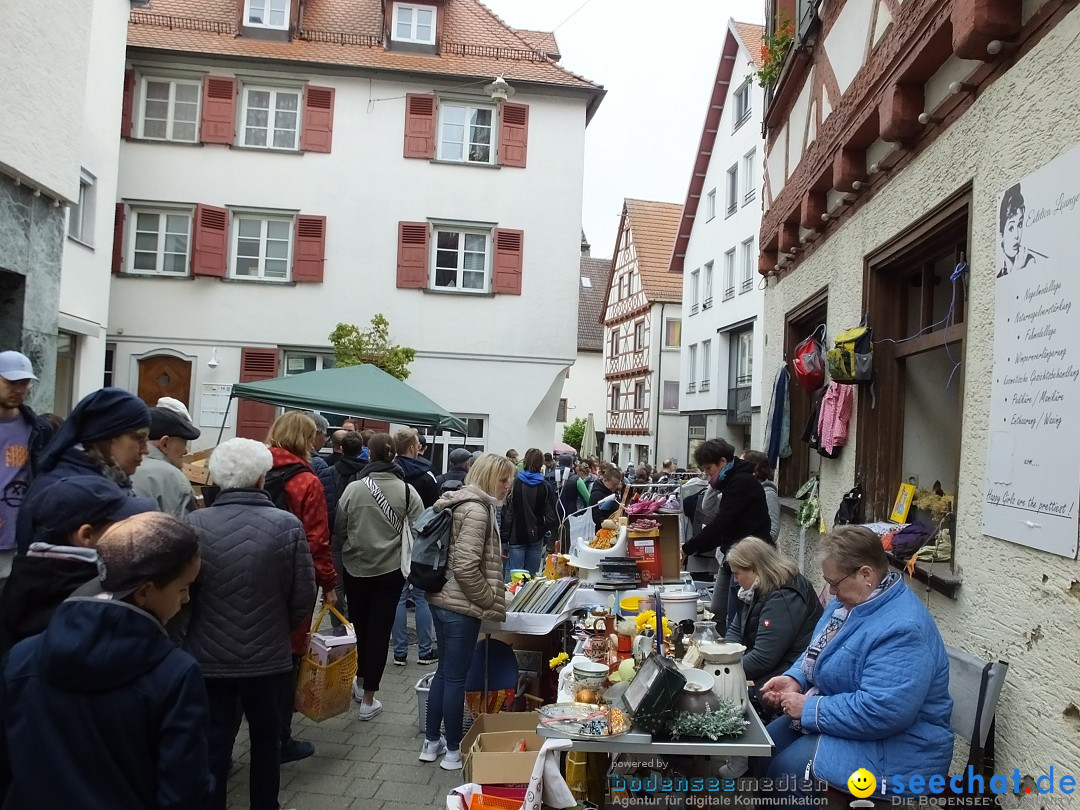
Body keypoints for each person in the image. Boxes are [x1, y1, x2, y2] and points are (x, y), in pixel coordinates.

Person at [0, 512, 211, 809]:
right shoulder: (175, 675)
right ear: (145, 592)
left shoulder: (20, 659)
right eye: (182, 588)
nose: (186, 599)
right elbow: (184, 791)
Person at [759, 526, 953, 802]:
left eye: (835, 583)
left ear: (865, 574)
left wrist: (808, 707)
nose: (832, 591)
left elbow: (882, 711)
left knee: (789, 772)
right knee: (765, 747)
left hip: (901, 746)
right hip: (853, 722)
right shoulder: (848, 604)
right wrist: (796, 678)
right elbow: (818, 651)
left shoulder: (902, 629)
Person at [184, 438, 316, 810]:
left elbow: (182, 594)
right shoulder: (287, 526)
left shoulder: (195, 523)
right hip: (268, 657)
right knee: (267, 740)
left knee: (214, 742)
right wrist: (277, 626)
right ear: (262, 478)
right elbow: (303, 595)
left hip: (208, 656)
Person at [420, 453, 510, 770]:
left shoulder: (464, 503)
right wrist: (487, 600)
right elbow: (466, 567)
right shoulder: (477, 510)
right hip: (459, 606)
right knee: (456, 678)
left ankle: (432, 742)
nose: (507, 486)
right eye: (503, 480)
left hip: (442, 599)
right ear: (487, 478)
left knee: (445, 673)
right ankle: (454, 752)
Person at [0, 476, 157, 657]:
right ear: (86, 535)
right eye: (122, 525)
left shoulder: (21, 577)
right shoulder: (97, 599)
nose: (132, 531)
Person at [265, 410, 337, 762]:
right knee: (289, 656)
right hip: (293, 580)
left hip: (248, 574)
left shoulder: (255, 469)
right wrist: (328, 584)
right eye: (312, 436)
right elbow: (317, 540)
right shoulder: (306, 482)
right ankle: (280, 739)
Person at [334, 433, 422, 721]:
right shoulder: (408, 491)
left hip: (356, 568)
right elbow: (420, 529)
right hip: (392, 571)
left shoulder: (354, 489)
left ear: (368, 455)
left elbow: (340, 528)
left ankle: (359, 683)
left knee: (360, 627)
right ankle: (369, 698)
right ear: (393, 456)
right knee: (380, 632)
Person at [17, 387, 152, 554]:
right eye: (138, 438)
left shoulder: (96, 477)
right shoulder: (70, 491)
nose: (146, 450)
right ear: (107, 436)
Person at [681, 439, 771, 633]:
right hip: (732, 555)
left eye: (708, 469)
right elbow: (721, 524)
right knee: (717, 612)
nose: (706, 475)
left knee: (733, 616)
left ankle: (728, 652)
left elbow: (722, 523)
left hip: (749, 559)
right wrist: (692, 548)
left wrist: (687, 548)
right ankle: (718, 645)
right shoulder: (731, 481)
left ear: (723, 462)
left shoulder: (741, 482)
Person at [725, 537, 822, 688]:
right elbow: (736, 629)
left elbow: (763, 659)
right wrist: (724, 657)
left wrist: (725, 670)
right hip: (772, 671)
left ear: (754, 568)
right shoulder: (755, 588)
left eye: (737, 573)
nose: (735, 580)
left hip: (786, 679)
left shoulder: (784, 597)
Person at [0, 351, 52, 596]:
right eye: (11, 382)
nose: (19, 389)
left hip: (20, 540)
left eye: (24, 383)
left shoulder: (38, 429)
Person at [390, 428, 439, 667]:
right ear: (414, 447)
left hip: (394, 539)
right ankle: (425, 651)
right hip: (422, 540)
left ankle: (399, 653)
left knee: (398, 597)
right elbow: (437, 510)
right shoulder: (426, 475)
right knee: (421, 596)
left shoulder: (391, 474)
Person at [131, 406, 201, 518]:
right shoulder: (173, 477)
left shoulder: (120, 466)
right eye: (184, 442)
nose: (186, 450)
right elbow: (186, 530)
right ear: (165, 444)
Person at [500, 448, 558, 575]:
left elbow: (509, 513)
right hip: (536, 536)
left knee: (515, 576)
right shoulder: (545, 486)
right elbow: (552, 517)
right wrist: (542, 530)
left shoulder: (516, 483)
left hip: (516, 536)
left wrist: (504, 538)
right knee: (531, 577)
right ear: (541, 463)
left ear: (525, 461)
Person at [996, 184, 1045, 278]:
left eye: (1019, 225)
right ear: (1001, 236)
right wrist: (1015, 272)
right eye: (1011, 228)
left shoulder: (1030, 263)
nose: (1017, 235)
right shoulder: (999, 276)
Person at [742, 450, 780, 543]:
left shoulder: (768, 494)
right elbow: (709, 507)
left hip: (752, 552)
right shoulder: (739, 489)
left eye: (741, 464)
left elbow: (773, 532)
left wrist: (747, 545)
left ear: (754, 469)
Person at [588, 466, 624, 530]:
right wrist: (610, 524)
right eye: (613, 485)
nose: (615, 487)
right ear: (605, 480)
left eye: (617, 485)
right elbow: (596, 517)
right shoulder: (596, 494)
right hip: (602, 531)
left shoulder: (612, 490)